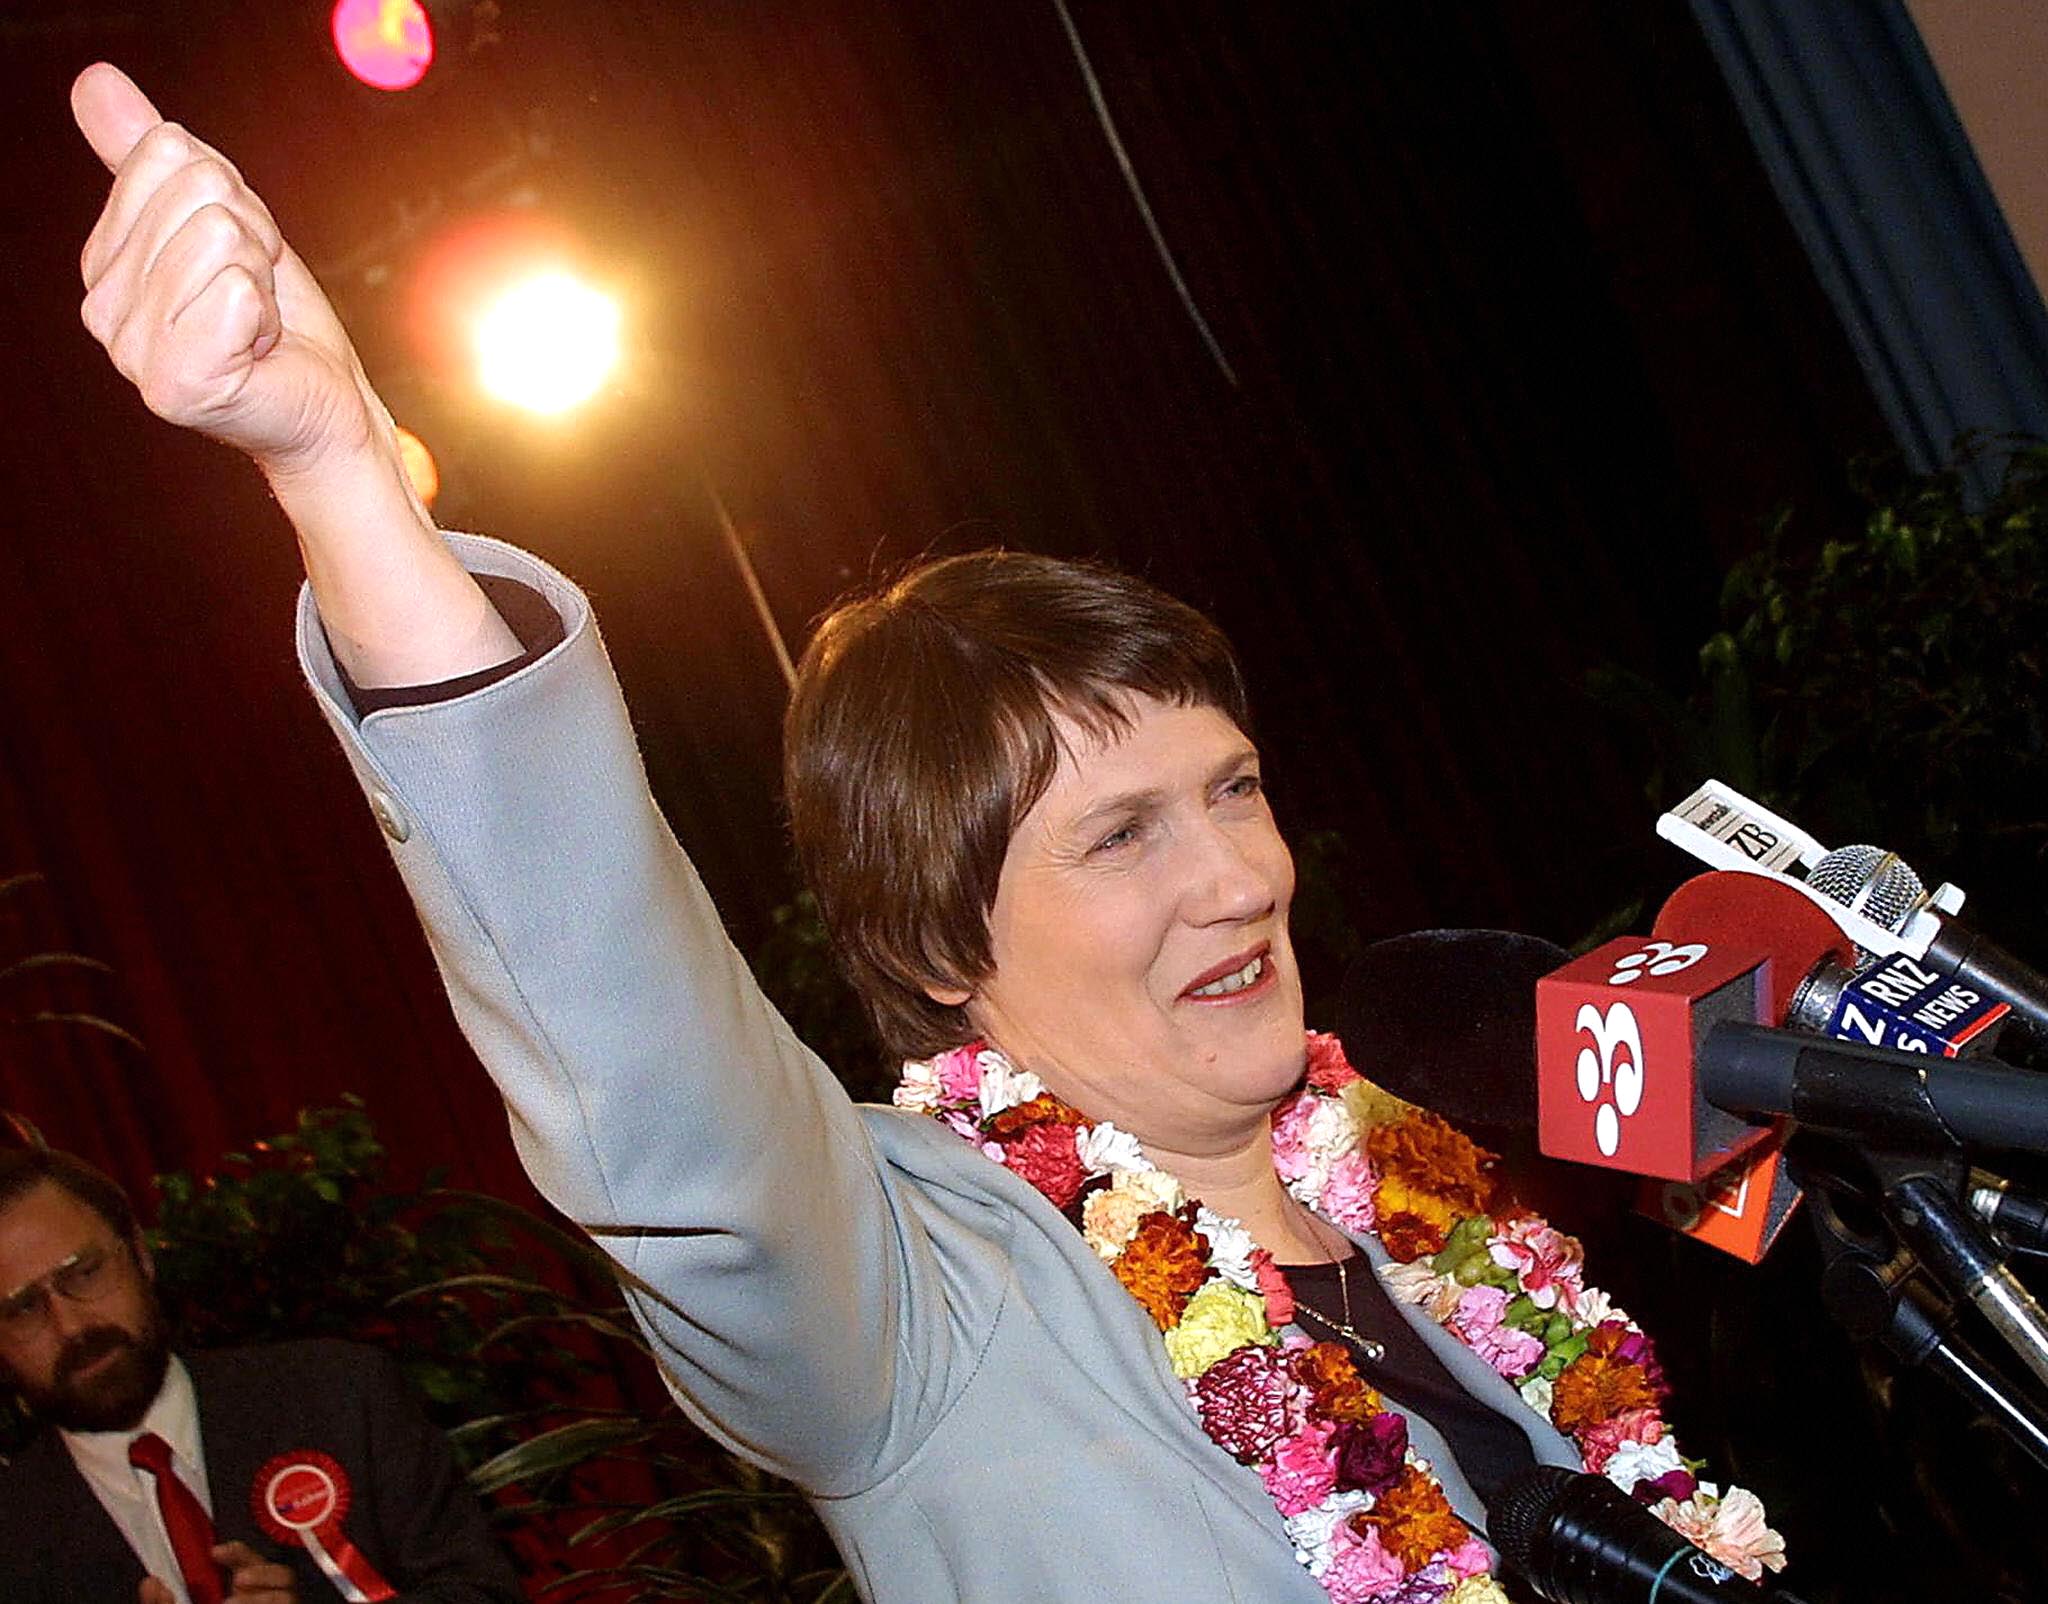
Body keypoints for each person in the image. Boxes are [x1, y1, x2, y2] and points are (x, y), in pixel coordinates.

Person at [67, 63, 1785, 1603]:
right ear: (934, 944)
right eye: (1119, 836)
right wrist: (339, 473)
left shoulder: (1409, 1168)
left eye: (1232, 786)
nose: (1240, 875)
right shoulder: (907, 1293)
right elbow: (639, 1063)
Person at [0, 1146, 523, 1604]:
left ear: (140, 1255)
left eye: (83, 1273)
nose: (69, 1325)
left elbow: (485, 1592)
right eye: (22, 1309)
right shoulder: (13, 1537)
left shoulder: (337, 1394)